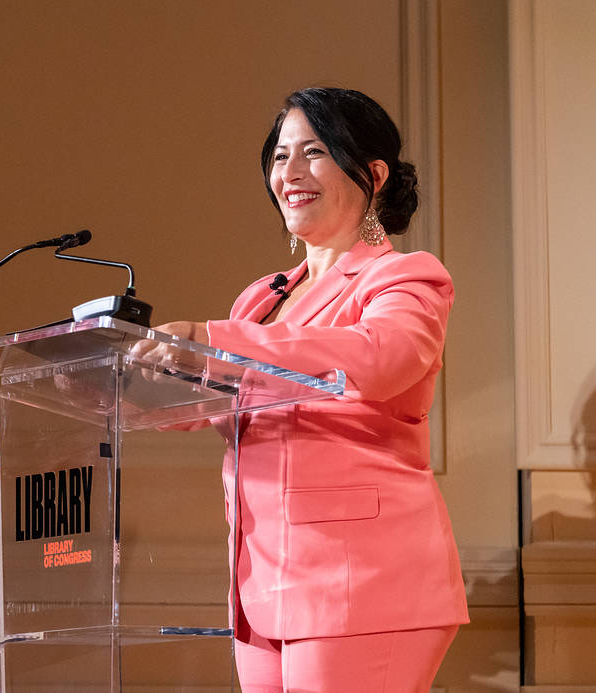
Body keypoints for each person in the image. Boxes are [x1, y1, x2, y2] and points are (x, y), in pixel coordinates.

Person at [132, 87, 469, 692]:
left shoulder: (405, 276)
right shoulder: (262, 301)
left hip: (362, 580)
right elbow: (226, 409)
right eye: (279, 155)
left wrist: (213, 340)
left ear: (373, 173)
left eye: (312, 152)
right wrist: (120, 379)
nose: (289, 172)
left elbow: (380, 358)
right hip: (265, 584)